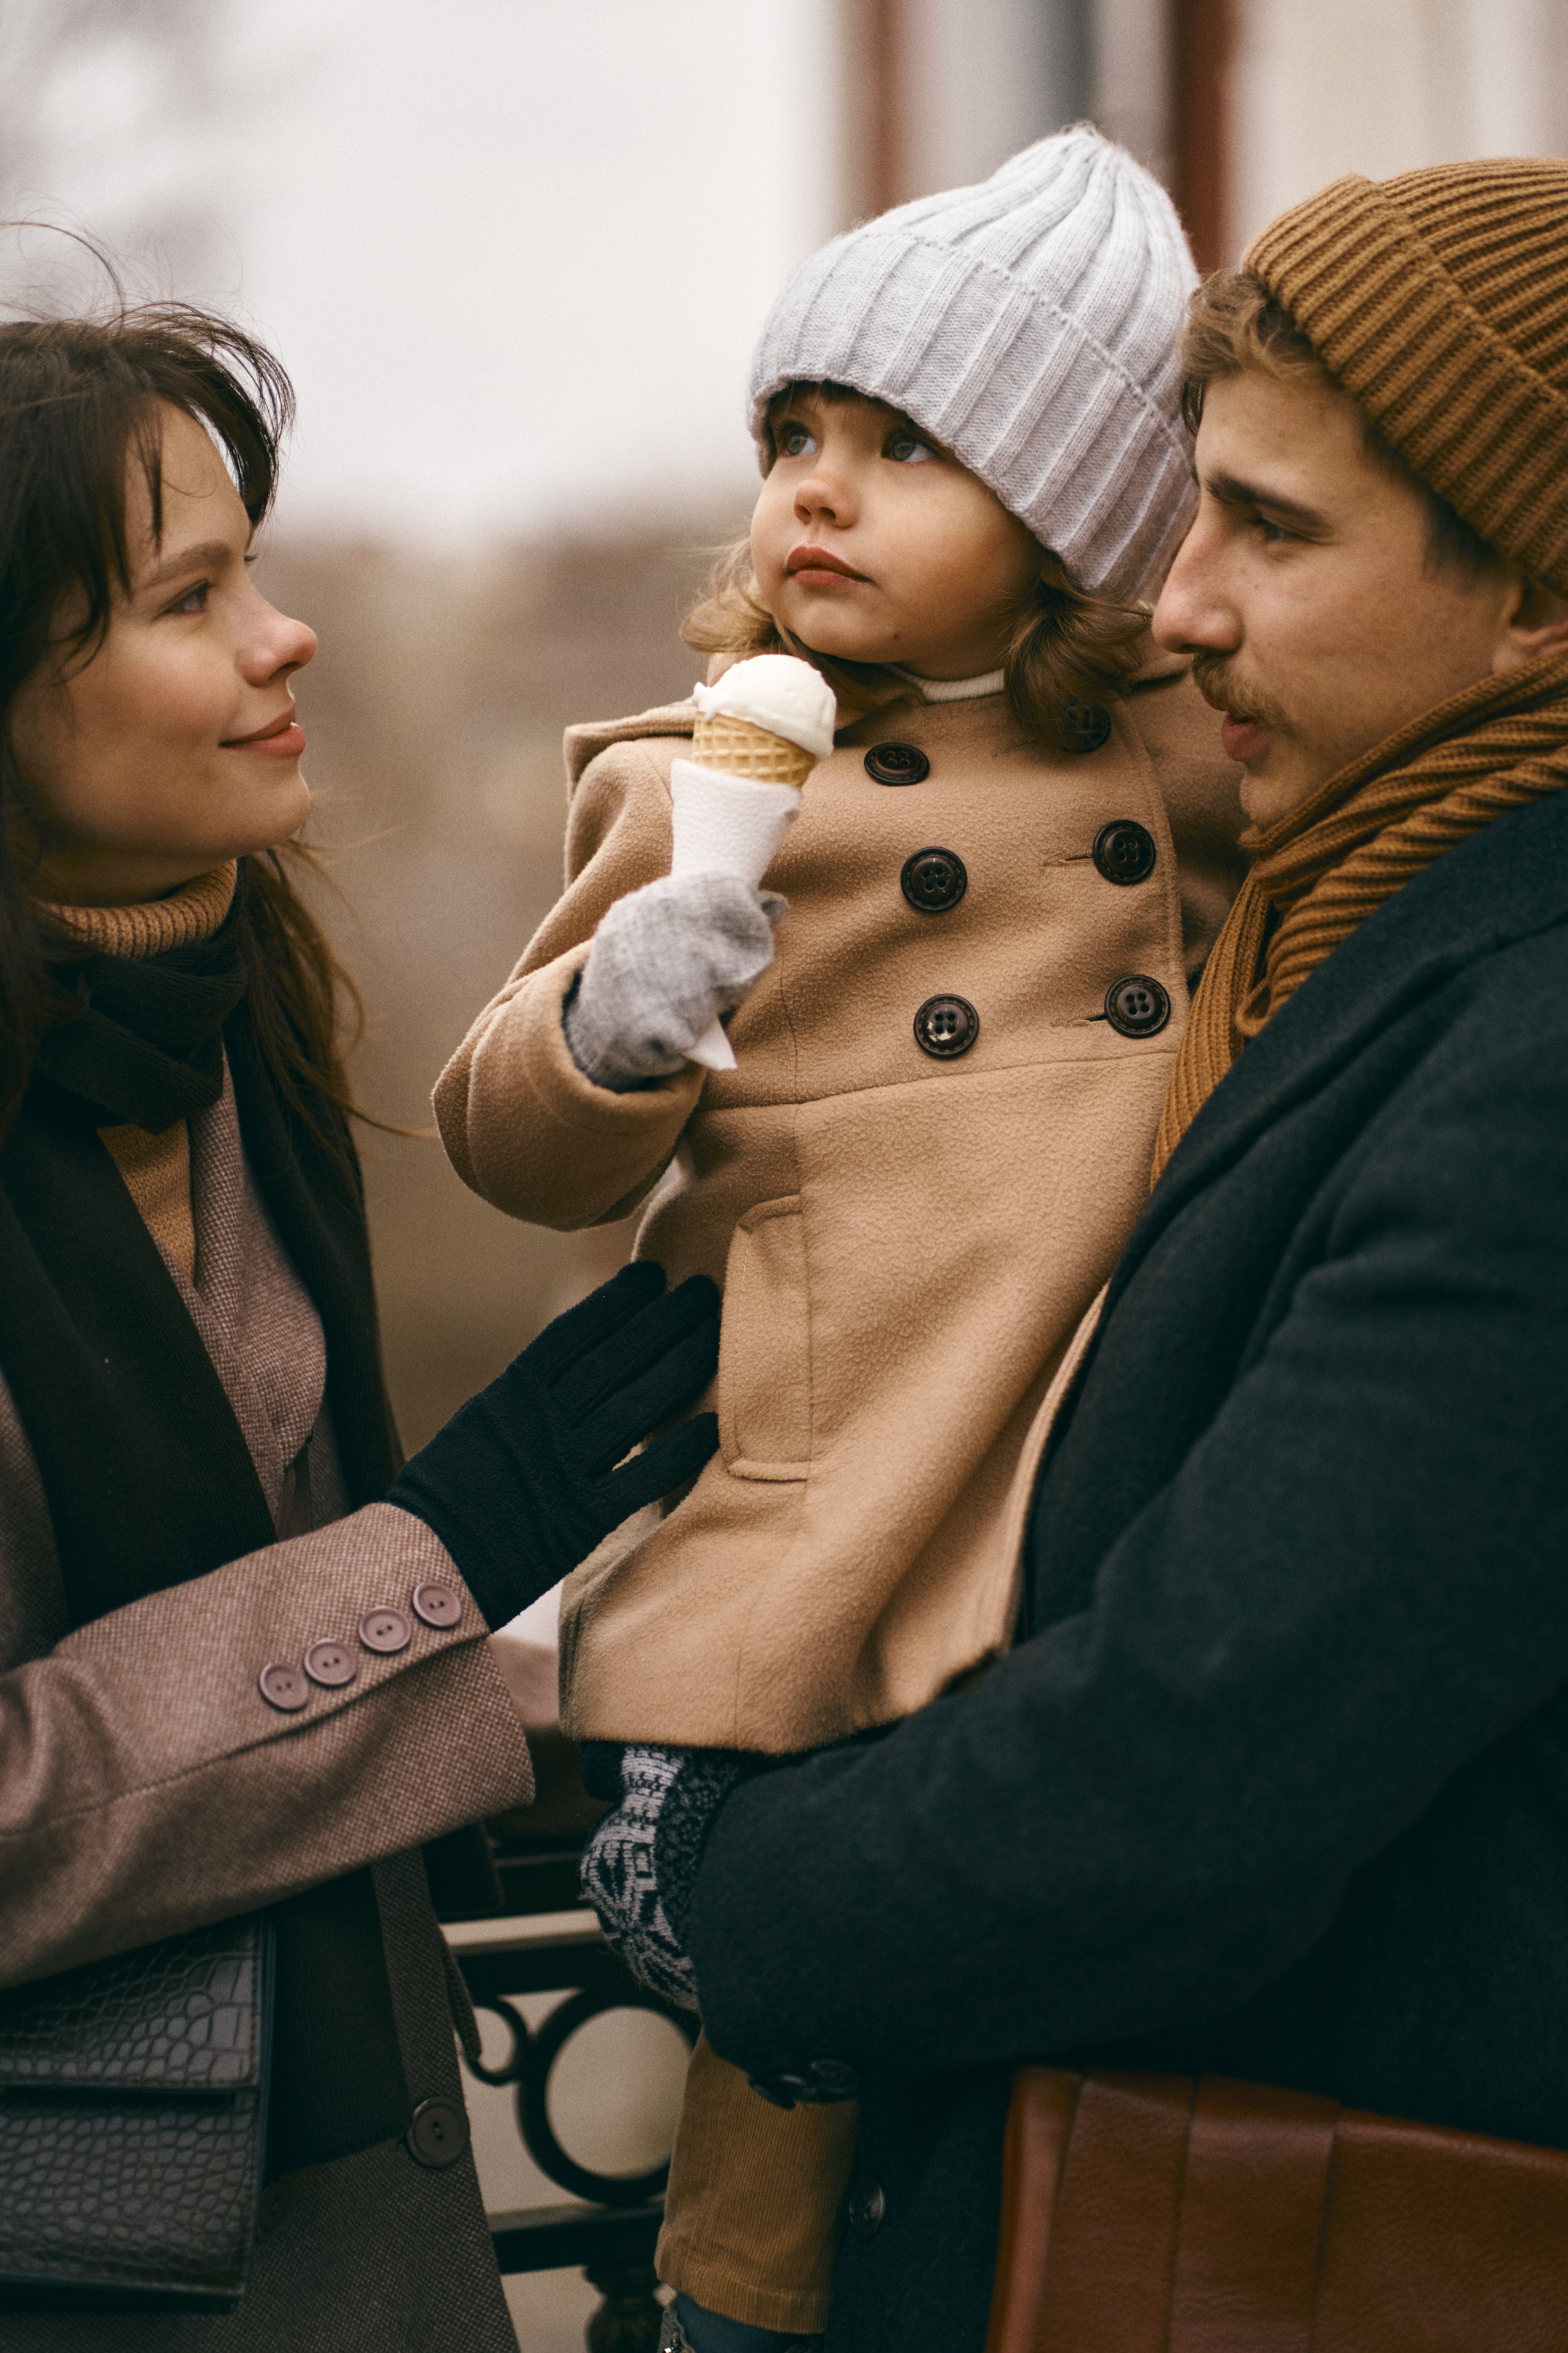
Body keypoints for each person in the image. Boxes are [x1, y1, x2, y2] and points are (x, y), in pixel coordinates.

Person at [575, 154, 1568, 2347]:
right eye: (1188, 509)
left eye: (1274, 531)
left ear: (1538, 606)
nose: (1181, 603)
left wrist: (726, 1893)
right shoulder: (1352, 919)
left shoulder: (1532, 1030)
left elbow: (1201, 1758)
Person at [434, 131, 1243, 2352]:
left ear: (1079, 517)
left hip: (1074, 1478)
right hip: (814, 1496)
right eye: (795, 433)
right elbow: (515, 1144)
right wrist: (622, 1014)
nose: (817, 488)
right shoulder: (712, 793)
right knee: (777, 2123)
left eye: (908, 448)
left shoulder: (1183, 766)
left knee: (1032, 2117)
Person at [0, 302, 720, 2349]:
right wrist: (444, 1552)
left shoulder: (228, 1037)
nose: (283, 636)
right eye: (188, 596)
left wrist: (647, 1668)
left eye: (261, 570)